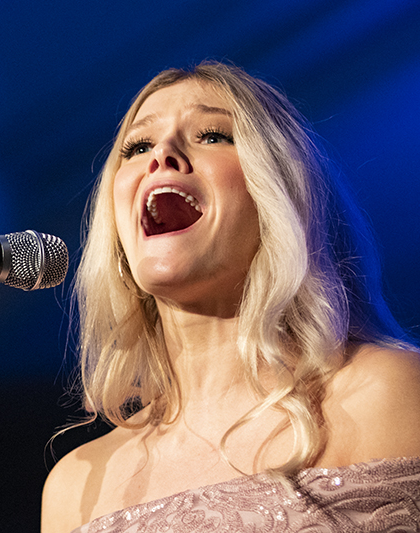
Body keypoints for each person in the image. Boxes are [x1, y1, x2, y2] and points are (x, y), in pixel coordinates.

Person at [41, 61, 420, 533]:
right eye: (138, 146)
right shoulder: (76, 486)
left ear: (280, 192)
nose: (162, 154)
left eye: (213, 135)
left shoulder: (387, 393)